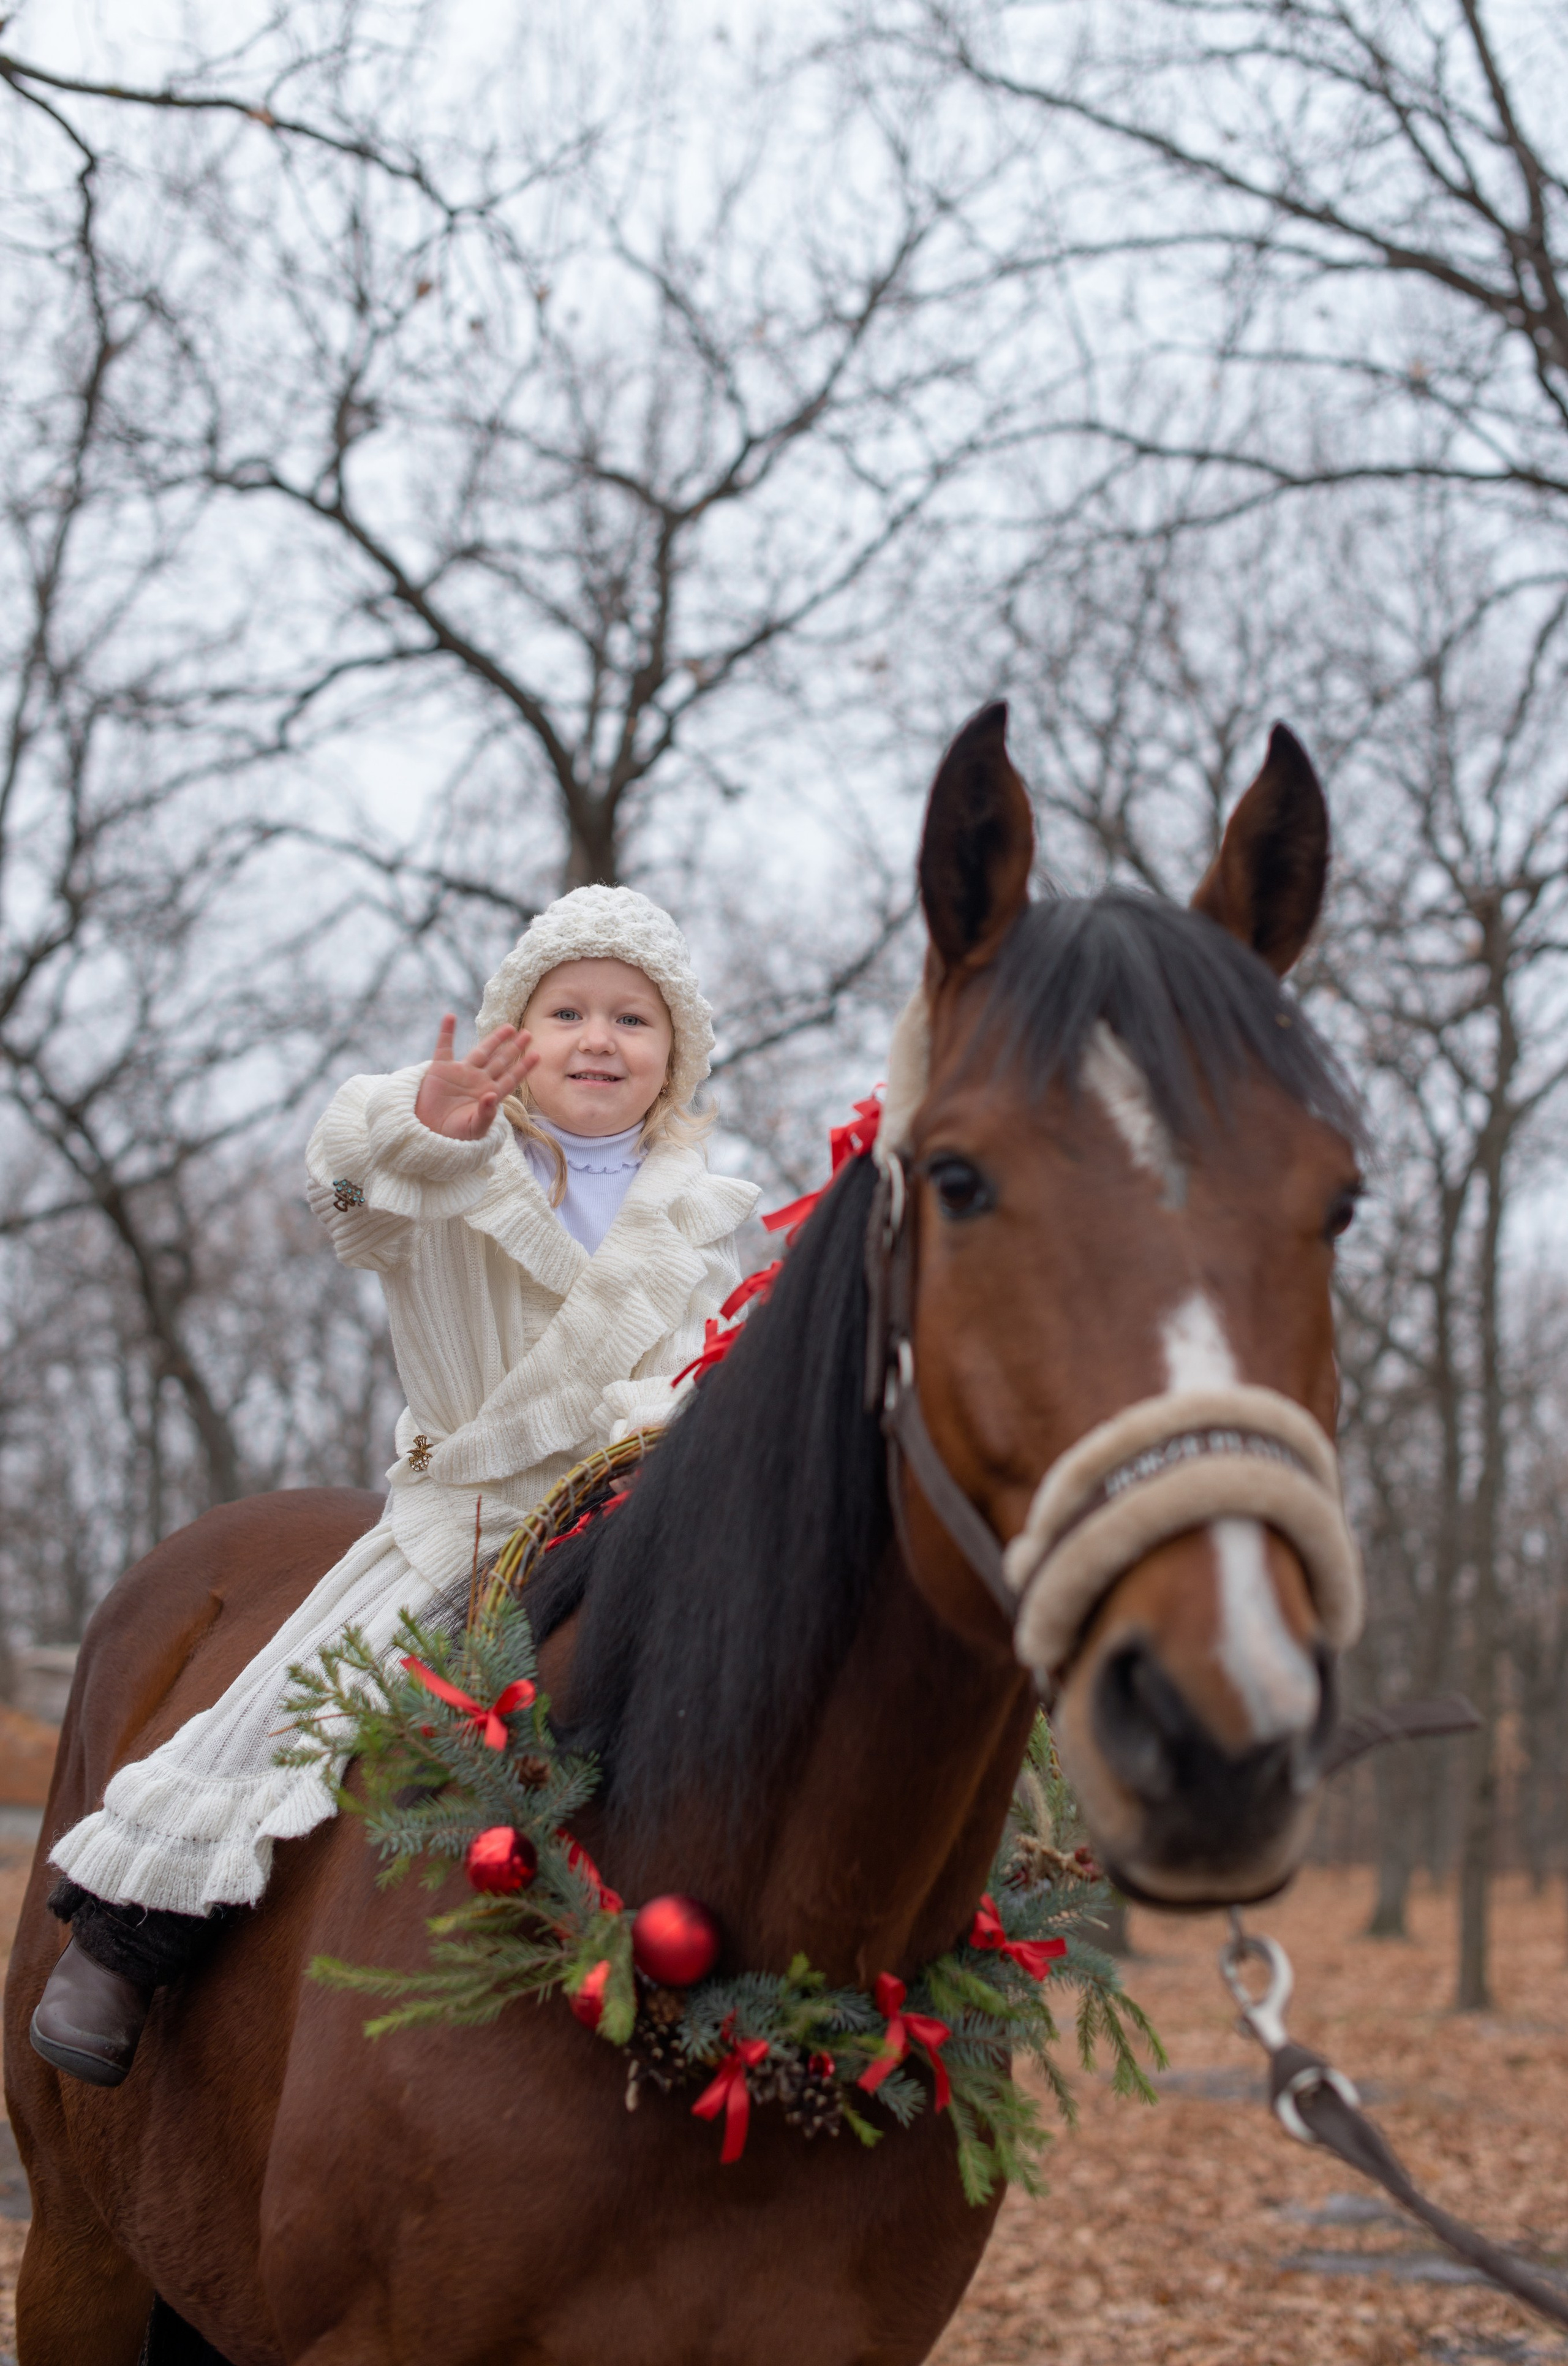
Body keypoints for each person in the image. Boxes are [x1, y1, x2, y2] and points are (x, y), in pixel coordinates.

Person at [32, 886, 760, 2085]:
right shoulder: (458, 1155)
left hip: (627, 1510)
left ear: (672, 1052)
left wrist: (666, 1424)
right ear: (510, 1033)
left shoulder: (695, 1212)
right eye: (565, 1009)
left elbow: (695, 1361)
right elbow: (354, 1199)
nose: (597, 1037)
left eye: (631, 1017)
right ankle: (127, 1931)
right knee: (311, 1688)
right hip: (466, 1510)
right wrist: (423, 1124)